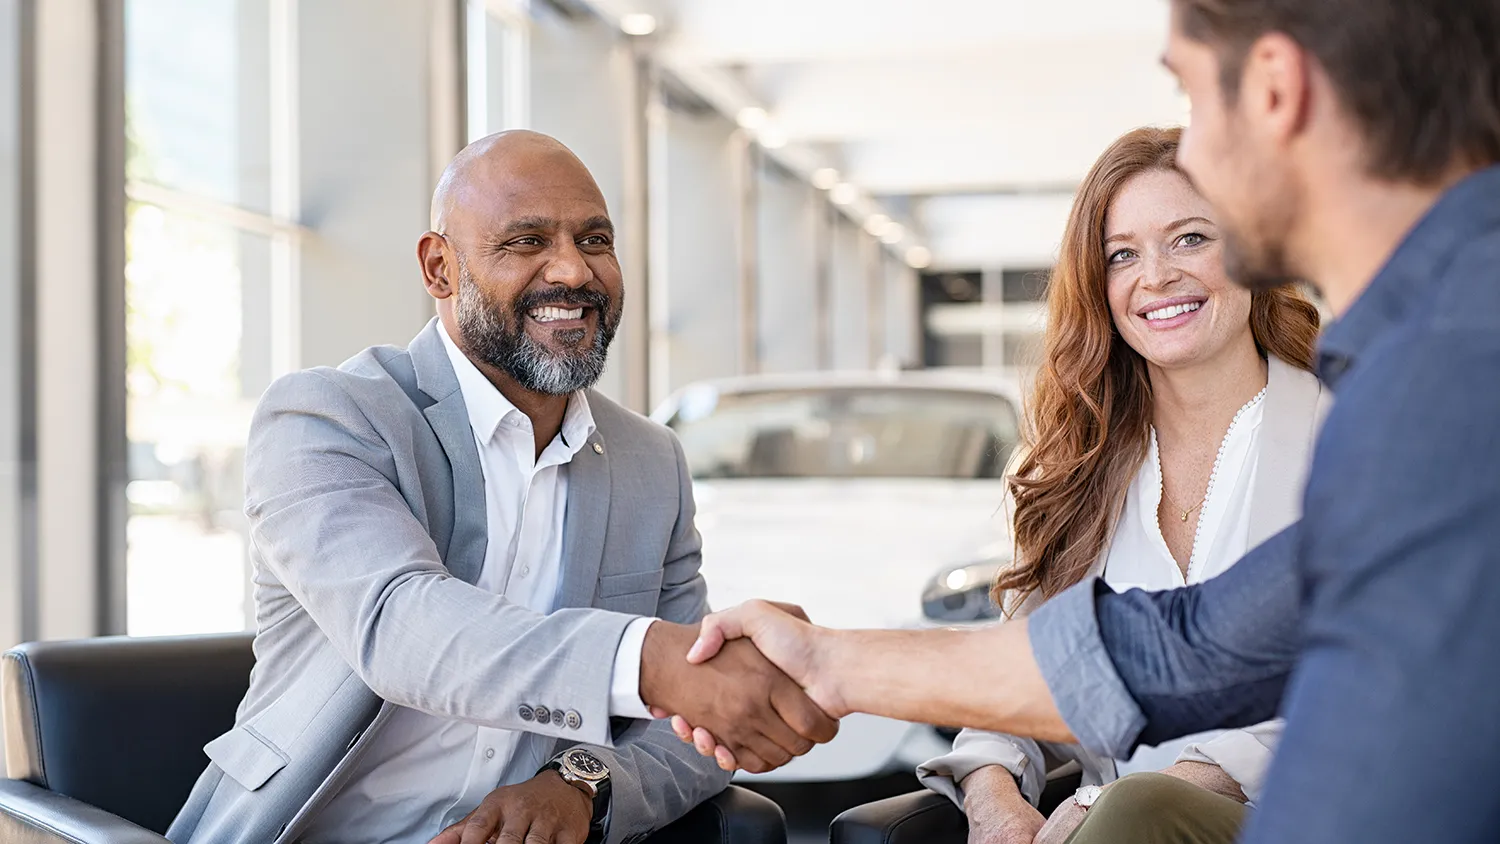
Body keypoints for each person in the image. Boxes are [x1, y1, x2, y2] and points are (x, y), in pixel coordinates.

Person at [668, 0, 1500, 841]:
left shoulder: (1435, 377)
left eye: (1192, 101)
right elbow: (1189, 648)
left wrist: (1117, 802)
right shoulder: (1421, 357)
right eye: (1125, 253)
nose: (1198, 151)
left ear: (1278, 90)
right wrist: (831, 663)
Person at [168, 131, 836, 844]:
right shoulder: (327, 418)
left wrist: (581, 784)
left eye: (595, 239)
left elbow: (685, 731)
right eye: (526, 242)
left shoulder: (650, 462)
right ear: (439, 268)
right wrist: (647, 662)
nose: (574, 273)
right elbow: (400, 626)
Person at [915, 126, 1327, 844]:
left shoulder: (1343, 434)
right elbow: (1029, 667)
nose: (1156, 276)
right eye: (1122, 255)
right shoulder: (1083, 463)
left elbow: (1343, 682)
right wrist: (992, 794)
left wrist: (1136, 803)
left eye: (1192, 238)